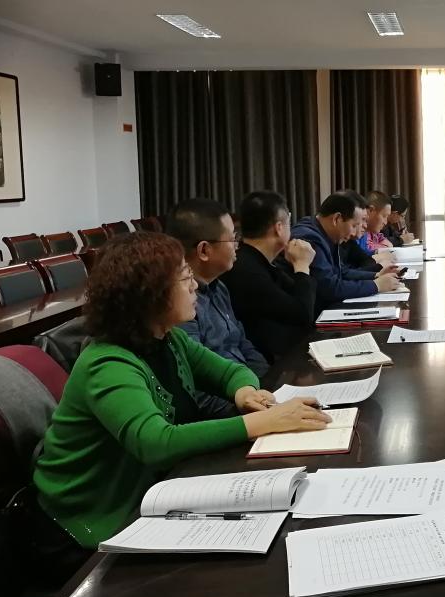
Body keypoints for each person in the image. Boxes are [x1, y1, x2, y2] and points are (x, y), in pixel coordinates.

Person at [31, 231, 330, 556]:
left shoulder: (169, 339)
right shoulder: (107, 363)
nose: (194, 287)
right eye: (185, 278)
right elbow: (156, 443)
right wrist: (263, 422)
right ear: (150, 294)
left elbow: (230, 372)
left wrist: (244, 392)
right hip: (88, 517)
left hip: (153, 490)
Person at [166, 198, 270, 418]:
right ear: (204, 250)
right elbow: (194, 388)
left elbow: (243, 344)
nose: (237, 245)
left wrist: (268, 386)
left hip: (249, 395)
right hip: (227, 415)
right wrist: (252, 413)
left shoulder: (219, 287)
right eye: (232, 239)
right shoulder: (181, 307)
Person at [221, 191, 317, 362]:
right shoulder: (247, 270)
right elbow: (302, 314)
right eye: (289, 221)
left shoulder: (259, 259)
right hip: (267, 361)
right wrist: (302, 265)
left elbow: (302, 297)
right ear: (279, 228)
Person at [290, 192, 403, 314]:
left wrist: (376, 275)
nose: (354, 233)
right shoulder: (309, 238)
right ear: (336, 219)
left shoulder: (324, 231)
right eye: (354, 225)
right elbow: (329, 288)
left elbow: (341, 272)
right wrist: (376, 285)